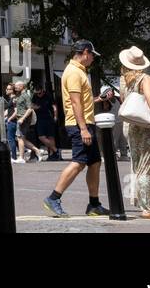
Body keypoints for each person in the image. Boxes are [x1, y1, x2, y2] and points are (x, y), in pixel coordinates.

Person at [44, 40, 109, 218]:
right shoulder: (73, 72)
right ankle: (53, 198)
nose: (93, 59)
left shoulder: (80, 71)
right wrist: (83, 129)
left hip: (85, 123)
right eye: (92, 56)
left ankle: (94, 205)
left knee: (95, 162)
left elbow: (82, 101)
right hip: (79, 125)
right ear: (86, 52)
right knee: (79, 162)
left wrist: (98, 99)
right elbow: (74, 102)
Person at [118, 47, 150, 221]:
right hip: (147, 128)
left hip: (132, 128)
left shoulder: (124, 80)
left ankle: (146, 204)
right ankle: (147, 208)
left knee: (139, 166)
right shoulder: (145, 78)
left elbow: (125, 103)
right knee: (146, 169)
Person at [13, 80, 43, 163]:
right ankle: (37, 151)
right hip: (20, 119)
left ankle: (21, 157)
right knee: (20, 138)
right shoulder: (20, 95)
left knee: (20, 138)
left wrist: (22, 118)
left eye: (17, 86)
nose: (15, 87)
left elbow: (30, 108)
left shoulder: (25, 96)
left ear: (22, 86)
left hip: (23, 120)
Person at [33, 82, 60, 160]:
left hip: (49, 118)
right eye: (37, 93)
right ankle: (56, 150)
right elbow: (32, 104)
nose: (39, 95)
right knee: (41, 137)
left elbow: (54, 106)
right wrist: (35, 107)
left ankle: (52, 155)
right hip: (39, 119)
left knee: (51, 136)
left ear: (42, 90)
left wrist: (55, 116)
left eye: (40, 93)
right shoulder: (35, 96)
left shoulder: (48, 96)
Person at [3, 84, 19, 160]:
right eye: (6, 89)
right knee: (12, 139)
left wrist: (9, 119)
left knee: (11, 139)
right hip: (11, 121)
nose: (6, 90)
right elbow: (10, 110)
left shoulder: (14, 99)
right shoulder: (11, 99)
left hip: (12, 122)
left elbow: (16, 111)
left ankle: (14, 157)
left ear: (12, 91)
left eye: (8, 89)